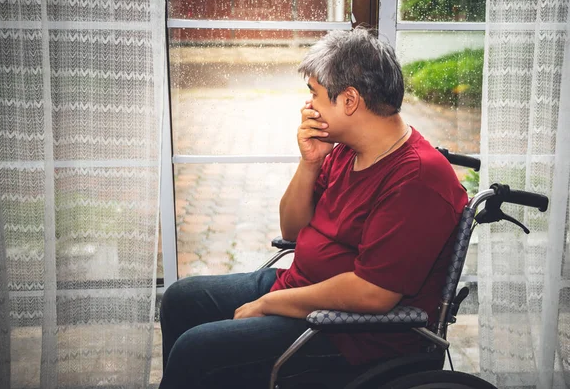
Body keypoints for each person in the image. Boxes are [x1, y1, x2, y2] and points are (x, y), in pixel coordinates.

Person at [159, 26, 468, 389]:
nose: (309, 106)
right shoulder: (344, 151)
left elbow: (373, 293)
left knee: (197, 351)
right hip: (304, 288)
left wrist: (269, 304)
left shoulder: (417, 178)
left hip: (355, 335)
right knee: (181, 299)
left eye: (315, 94)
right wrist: (310, 163)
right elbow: (292, 230)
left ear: (349, 100)